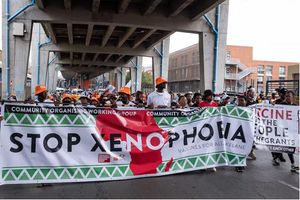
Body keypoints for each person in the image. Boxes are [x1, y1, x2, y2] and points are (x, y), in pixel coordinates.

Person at [235, 94, 248, 172]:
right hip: (237, 132)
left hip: (246, 132)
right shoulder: (235, 109)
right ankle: (238, 164)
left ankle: (242, 162)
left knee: (245, 148)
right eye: (239, 100)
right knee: (237, 148)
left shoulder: (249, 109)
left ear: (245, 101)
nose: (240, 102)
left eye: (242, 100)